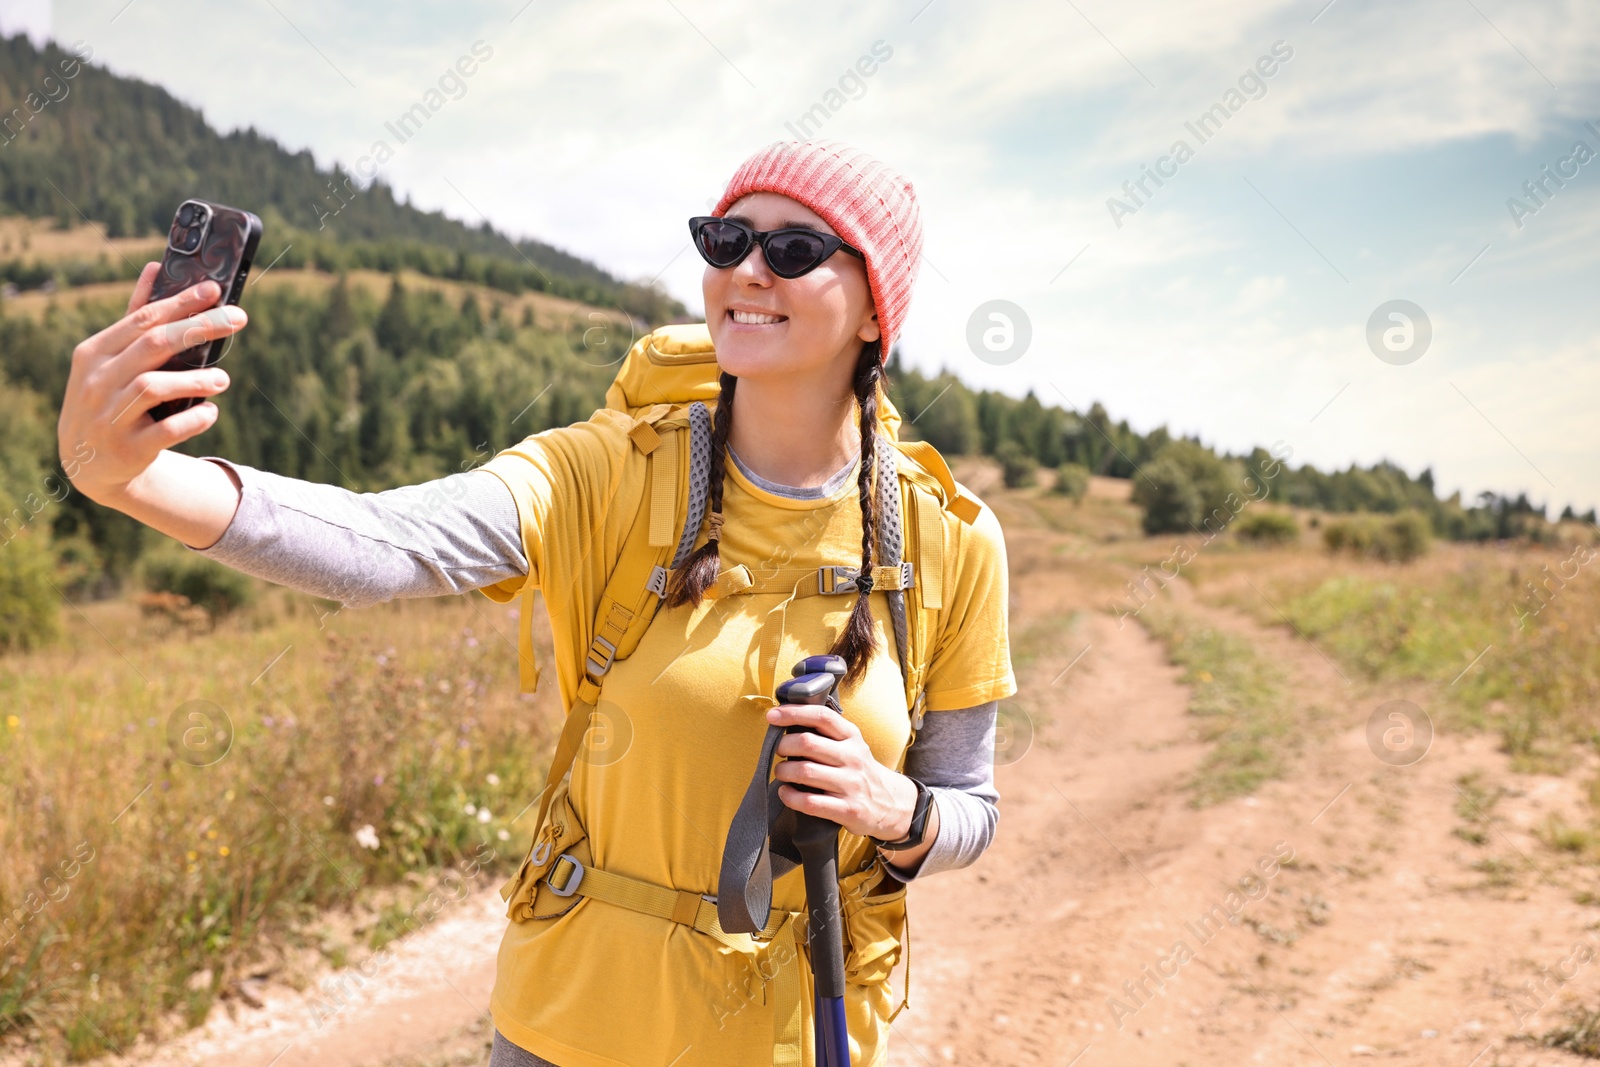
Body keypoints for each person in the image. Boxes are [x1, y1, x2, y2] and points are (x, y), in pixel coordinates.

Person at [57, 138, 1015, 1066]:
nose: (747, 271)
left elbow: (969, 807)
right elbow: (388, 544)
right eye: (725, 241)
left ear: (874, 310)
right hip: (570, 1032)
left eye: (793, 249)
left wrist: (895, 807)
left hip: (793, 1038)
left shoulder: (951, 540)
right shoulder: (604, 469)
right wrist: (128, 481)